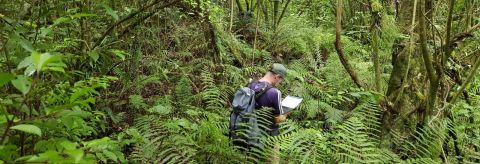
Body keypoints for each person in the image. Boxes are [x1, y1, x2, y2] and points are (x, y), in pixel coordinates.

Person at [248, 63, 289, 136]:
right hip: (264, 133)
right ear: (277, 77)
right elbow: (278, 120)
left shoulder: (251, 84)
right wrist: (286, 113)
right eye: (281, 80)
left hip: (248, 127)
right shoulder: (275, 92)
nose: (280, 83)